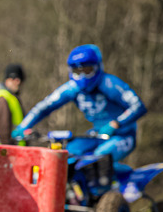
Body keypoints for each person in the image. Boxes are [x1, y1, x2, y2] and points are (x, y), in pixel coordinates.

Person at [12, 44, 146, 164]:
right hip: (96, 135)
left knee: (98, 160)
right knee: (67, 156)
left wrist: (116, 124)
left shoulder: (109, 84)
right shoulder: (72, 88)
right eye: (77, 72)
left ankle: (125, 187)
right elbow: (45, 106)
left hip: (123, 136)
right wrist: (24, 126)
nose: (82, 77)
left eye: (87, 71)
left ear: (97, 67)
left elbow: (138, 106)